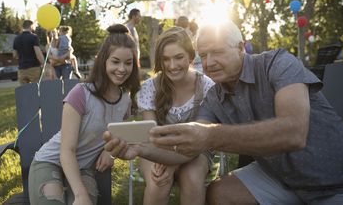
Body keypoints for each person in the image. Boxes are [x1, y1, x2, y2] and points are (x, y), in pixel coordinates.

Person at [104, 20, 343, 205]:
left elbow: (293, 133)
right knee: (219, 193)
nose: (209, 62)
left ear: (241, 47)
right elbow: (190, 145)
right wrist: (140, 149)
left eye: (218, 52)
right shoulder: (215, 97)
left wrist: (210, 136)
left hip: (336, 180)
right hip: (280, 177)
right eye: (204, 55)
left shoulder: (278, 64)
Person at [28, 24, 141, 205]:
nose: (122, 69)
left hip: (83, 168)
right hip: (51, 161)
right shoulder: (81, 94)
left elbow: (117, 135)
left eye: (128, 63)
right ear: (103, 61)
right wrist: (80, 195)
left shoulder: (125, 101)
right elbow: (67, 150)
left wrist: (109, 152)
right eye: (115, 61)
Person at [136, 27, 215, 205]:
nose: (172, 66)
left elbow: (202, 136)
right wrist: (164, 158)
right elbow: (151, 134)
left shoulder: (206, 86)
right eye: (166, 59)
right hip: (156, 148)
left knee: (192, 178)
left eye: (178, 57)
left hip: (197, 151)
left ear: (190, 56)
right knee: (159, 181)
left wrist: (173, 162)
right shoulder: (150, 87)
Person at [13, 20, 45, 85]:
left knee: (24, 92)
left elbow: (15, 55)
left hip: (21, 69)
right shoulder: (33, 37)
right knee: (35, 91)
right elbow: (38, 54)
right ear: (31, 26)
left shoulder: (16, 38)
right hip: (33, 67)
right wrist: (44, 64)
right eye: (34, 26)